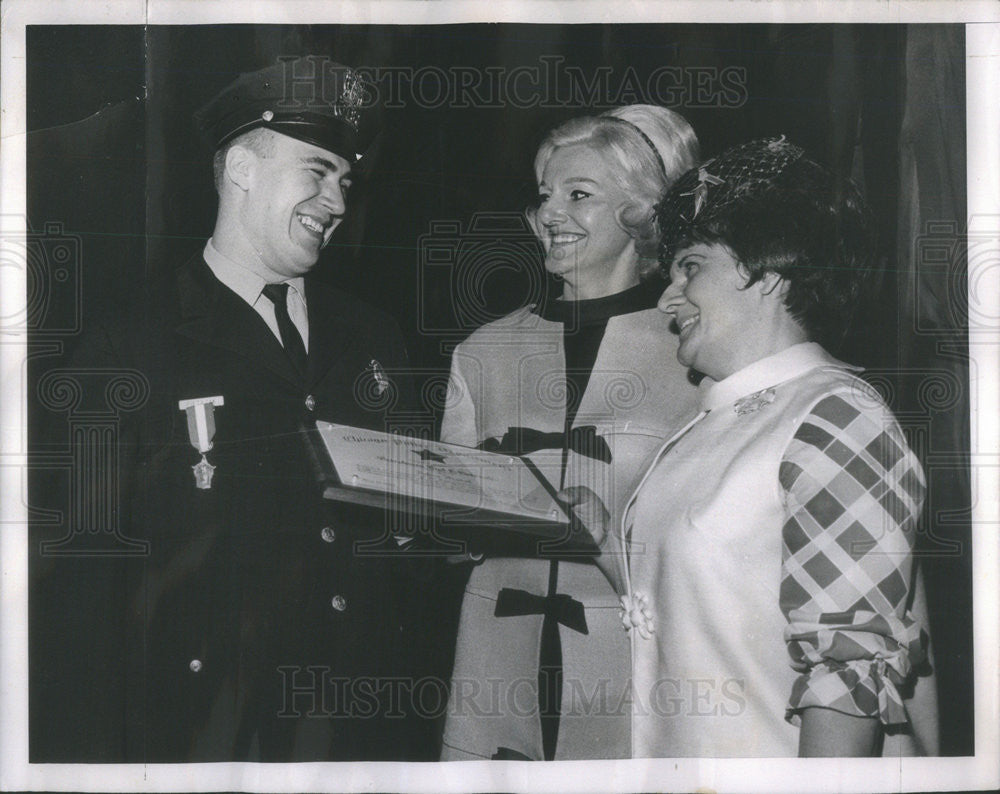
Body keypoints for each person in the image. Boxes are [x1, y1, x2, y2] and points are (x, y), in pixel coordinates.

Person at [31, 58, 430, 762]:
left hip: (359, 728)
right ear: (243, 168)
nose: (336, 201)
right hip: (202, 730)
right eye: (317, 170)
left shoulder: (375, 336)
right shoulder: (130, 341)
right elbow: (81, 575)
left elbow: (404, 538)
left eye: (344, 179)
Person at [579, 137, 938, 757]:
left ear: (769, 271)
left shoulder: (836, 416)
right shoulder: (711, 421)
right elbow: (712, 613)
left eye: (690, 266)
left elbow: (847, 675)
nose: (667, 298)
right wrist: (605, 543)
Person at [439, 105, 701, 760]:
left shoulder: (696, 355)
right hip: (496, 670)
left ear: (642, 213)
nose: (551, 213)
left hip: (641, 674)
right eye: (545, 195)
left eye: (579, 195)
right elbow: (447, 537)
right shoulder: (482, 350)